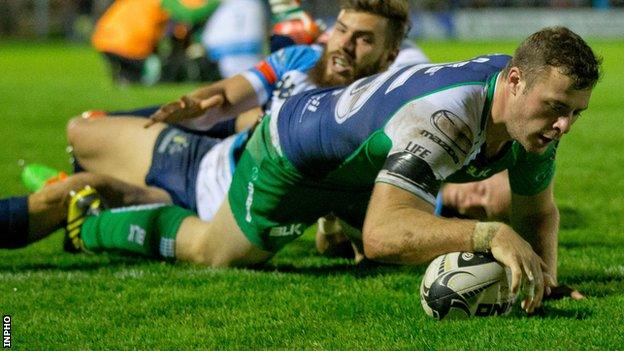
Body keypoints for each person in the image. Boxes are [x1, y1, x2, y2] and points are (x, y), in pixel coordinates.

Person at [1, 0, 412, 247]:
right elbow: (230, 93)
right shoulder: (299, 59)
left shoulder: (370, 113)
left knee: (72, 193)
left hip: (213, 208)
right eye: (341, 29)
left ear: (390, 54)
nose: (344, 44)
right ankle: (99, 198)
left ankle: (96, 200)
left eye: (363, 39)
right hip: (201, 157)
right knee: (81, 131)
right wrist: (195, 103)